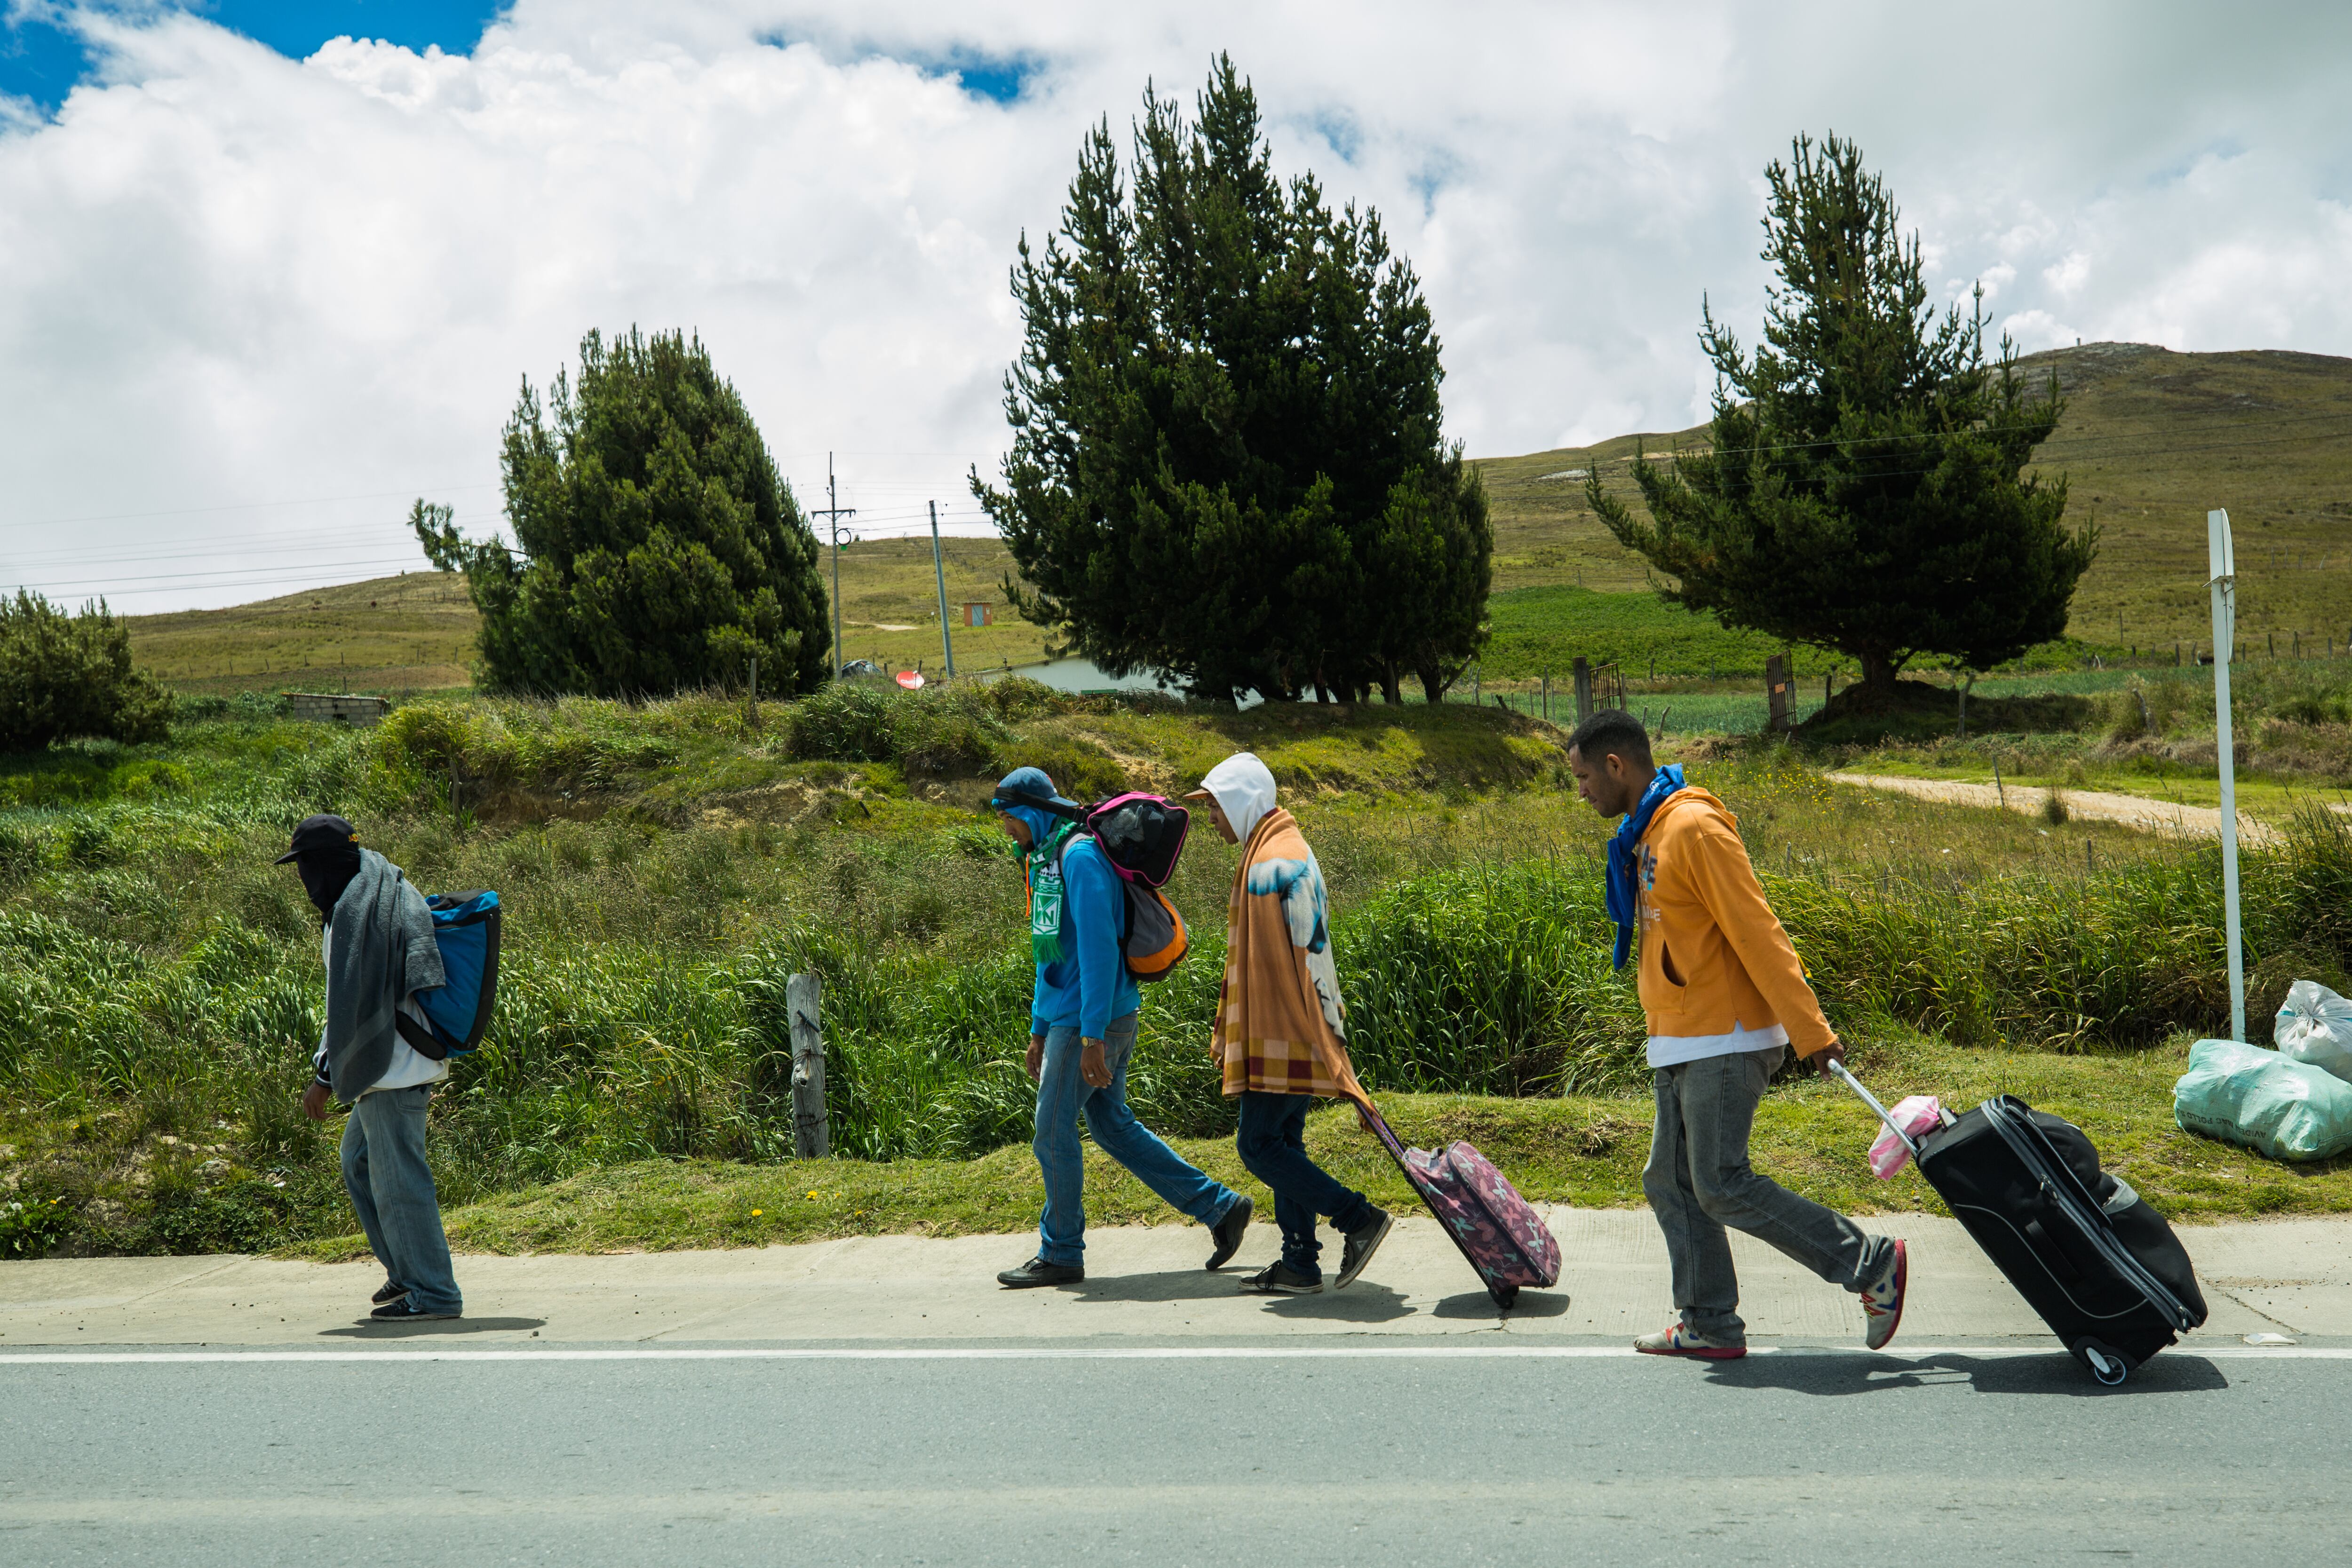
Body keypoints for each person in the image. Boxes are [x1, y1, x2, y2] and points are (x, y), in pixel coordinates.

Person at [1564, 710, 1906, 1360]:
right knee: (1670, 1181)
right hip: (1680, 1037)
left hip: (1726, 1037)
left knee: (1719, 1182)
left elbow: (1757, 930)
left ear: (1615, 765)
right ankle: (1710, 1323)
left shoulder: (1692, 826)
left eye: (1583, 777)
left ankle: (1871, 1263)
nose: (1580, 791)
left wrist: (1811, 1030)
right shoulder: (1647, 831)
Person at [987, 767, 1254, 1288]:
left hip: (1092, 1021)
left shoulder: (1079, 858)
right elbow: (1051, 954)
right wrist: (1038, 1029)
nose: (1007, 830)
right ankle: (1221, 1208)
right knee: (1111, 1125)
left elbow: (1099, 951)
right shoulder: (1046, 860)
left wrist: (1091, 1037)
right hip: (1078, 1018)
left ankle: (1061, 1251)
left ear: (1033, 813)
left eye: (1010, 819)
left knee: (1052, 1132)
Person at [1187, 752, 1391, 1296]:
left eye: (1214, 806)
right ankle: (1299, 1262)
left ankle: (1357, 1218)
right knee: (1283, 1142)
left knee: (1257, 1145)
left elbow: (1308, 953)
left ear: (1241, 801)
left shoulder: (1273, 861)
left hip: (1284, 1030)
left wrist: (1322, 1034)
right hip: (1286, 1026)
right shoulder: (1277, 851)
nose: (1211, 818)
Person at [282, 813, 462, 1323]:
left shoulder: (353, 914)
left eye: (305, 866)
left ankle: (434, 1292)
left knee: (400, 1184)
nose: (304, 879)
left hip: (391, 1068)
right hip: (400, 1061)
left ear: (323, 866)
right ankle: (406, 1272)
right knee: (358, 1161)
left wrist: (324, 1078)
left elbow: (348, 1007)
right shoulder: (381, 889)